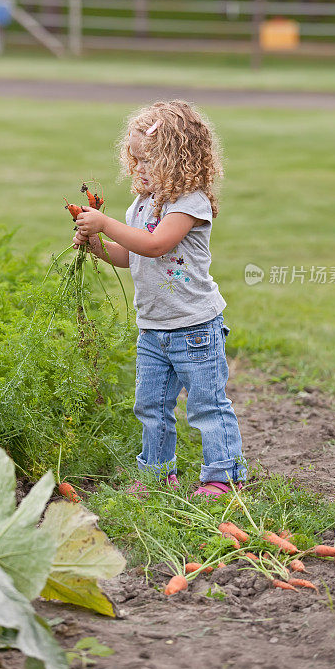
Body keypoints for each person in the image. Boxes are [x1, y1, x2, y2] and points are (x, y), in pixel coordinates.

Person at [73, 99, 246, 499]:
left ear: (179, 161)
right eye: (135, 161)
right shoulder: (140, 207)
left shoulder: (189, 204)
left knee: (206, 406)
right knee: (150, 406)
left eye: (150, 160)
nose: (140, 169)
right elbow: (130, 256)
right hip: (152, 328)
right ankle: (156, 472)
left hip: (194, 328)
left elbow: (155, 246)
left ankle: (223, 474)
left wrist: (106, 222)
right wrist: (96, 244)